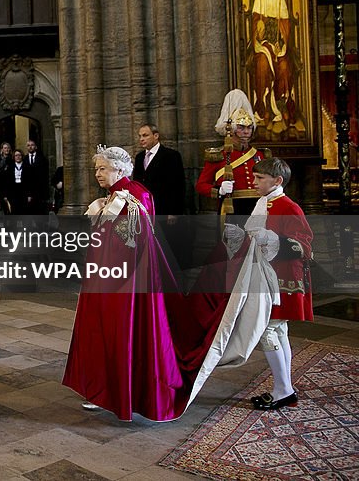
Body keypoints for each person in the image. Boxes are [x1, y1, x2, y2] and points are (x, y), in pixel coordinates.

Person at [62, 146, 231, 422]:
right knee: (103, 332)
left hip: (127, 283)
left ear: (120, 169)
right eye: (96, 169)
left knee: (122, 333)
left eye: (102, 168)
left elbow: (131, 242)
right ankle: (104, 389)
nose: (98, 174)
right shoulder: (115, 196)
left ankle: (121, 392)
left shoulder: (136, 194)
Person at [228, 158, 313, 410]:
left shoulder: (289, 206)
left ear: (277, 181)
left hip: (283, 280)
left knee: (267, 330)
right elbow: (255, 237)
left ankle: (283, 390)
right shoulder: (264, 202)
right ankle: (284, 388)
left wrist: (272, 238)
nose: (253, 183)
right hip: (266, 276)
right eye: (254, 178)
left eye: (259, 179)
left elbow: (304, 244)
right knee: (278, 331)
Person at [250, 0, 302, 133]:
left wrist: (281, 40)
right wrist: (259, 24)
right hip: (263, 43)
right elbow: (255, 18)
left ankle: (282, 106)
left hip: (278, 43)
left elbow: (286, 22)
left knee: (285, 65)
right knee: (262, 64)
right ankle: (263, 107)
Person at [196, 90, 265, 215]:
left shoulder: (260, 155)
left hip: (258, 208)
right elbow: (201, 185)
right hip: (232, 207)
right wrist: (219, 191)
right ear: (232, 129)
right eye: (241, 127)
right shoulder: (218, 155)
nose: (246, 131)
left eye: (249, 127)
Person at [133, 124, 186, 218]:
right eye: (140, 136)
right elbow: (137, 184)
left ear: (156, 136)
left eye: (145, 135)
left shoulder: (171, 156)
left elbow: (177, 185)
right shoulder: (139, 157)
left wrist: (174, 212)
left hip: (164, 210)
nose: (141, 139)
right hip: (144, 210)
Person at [24, 139, 50, 214]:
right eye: (28, 145)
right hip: (29, 191)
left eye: (32, 145)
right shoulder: (24, 159)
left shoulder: (42, 159)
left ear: (36, 147)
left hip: (40, 191)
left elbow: (45, 176)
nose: (30, 147)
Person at [0, 148, 29, 215]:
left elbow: (30, 182)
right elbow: (6, 182)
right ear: (14, 157)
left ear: (22, 156)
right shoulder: (10, 167)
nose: (18, 157)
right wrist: (5, 195)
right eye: (16, 155)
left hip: (23, 191)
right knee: (13, 212)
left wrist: (29, 195)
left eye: (19, 155)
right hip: (13, 191)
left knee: (24, 212)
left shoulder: (27, 167)